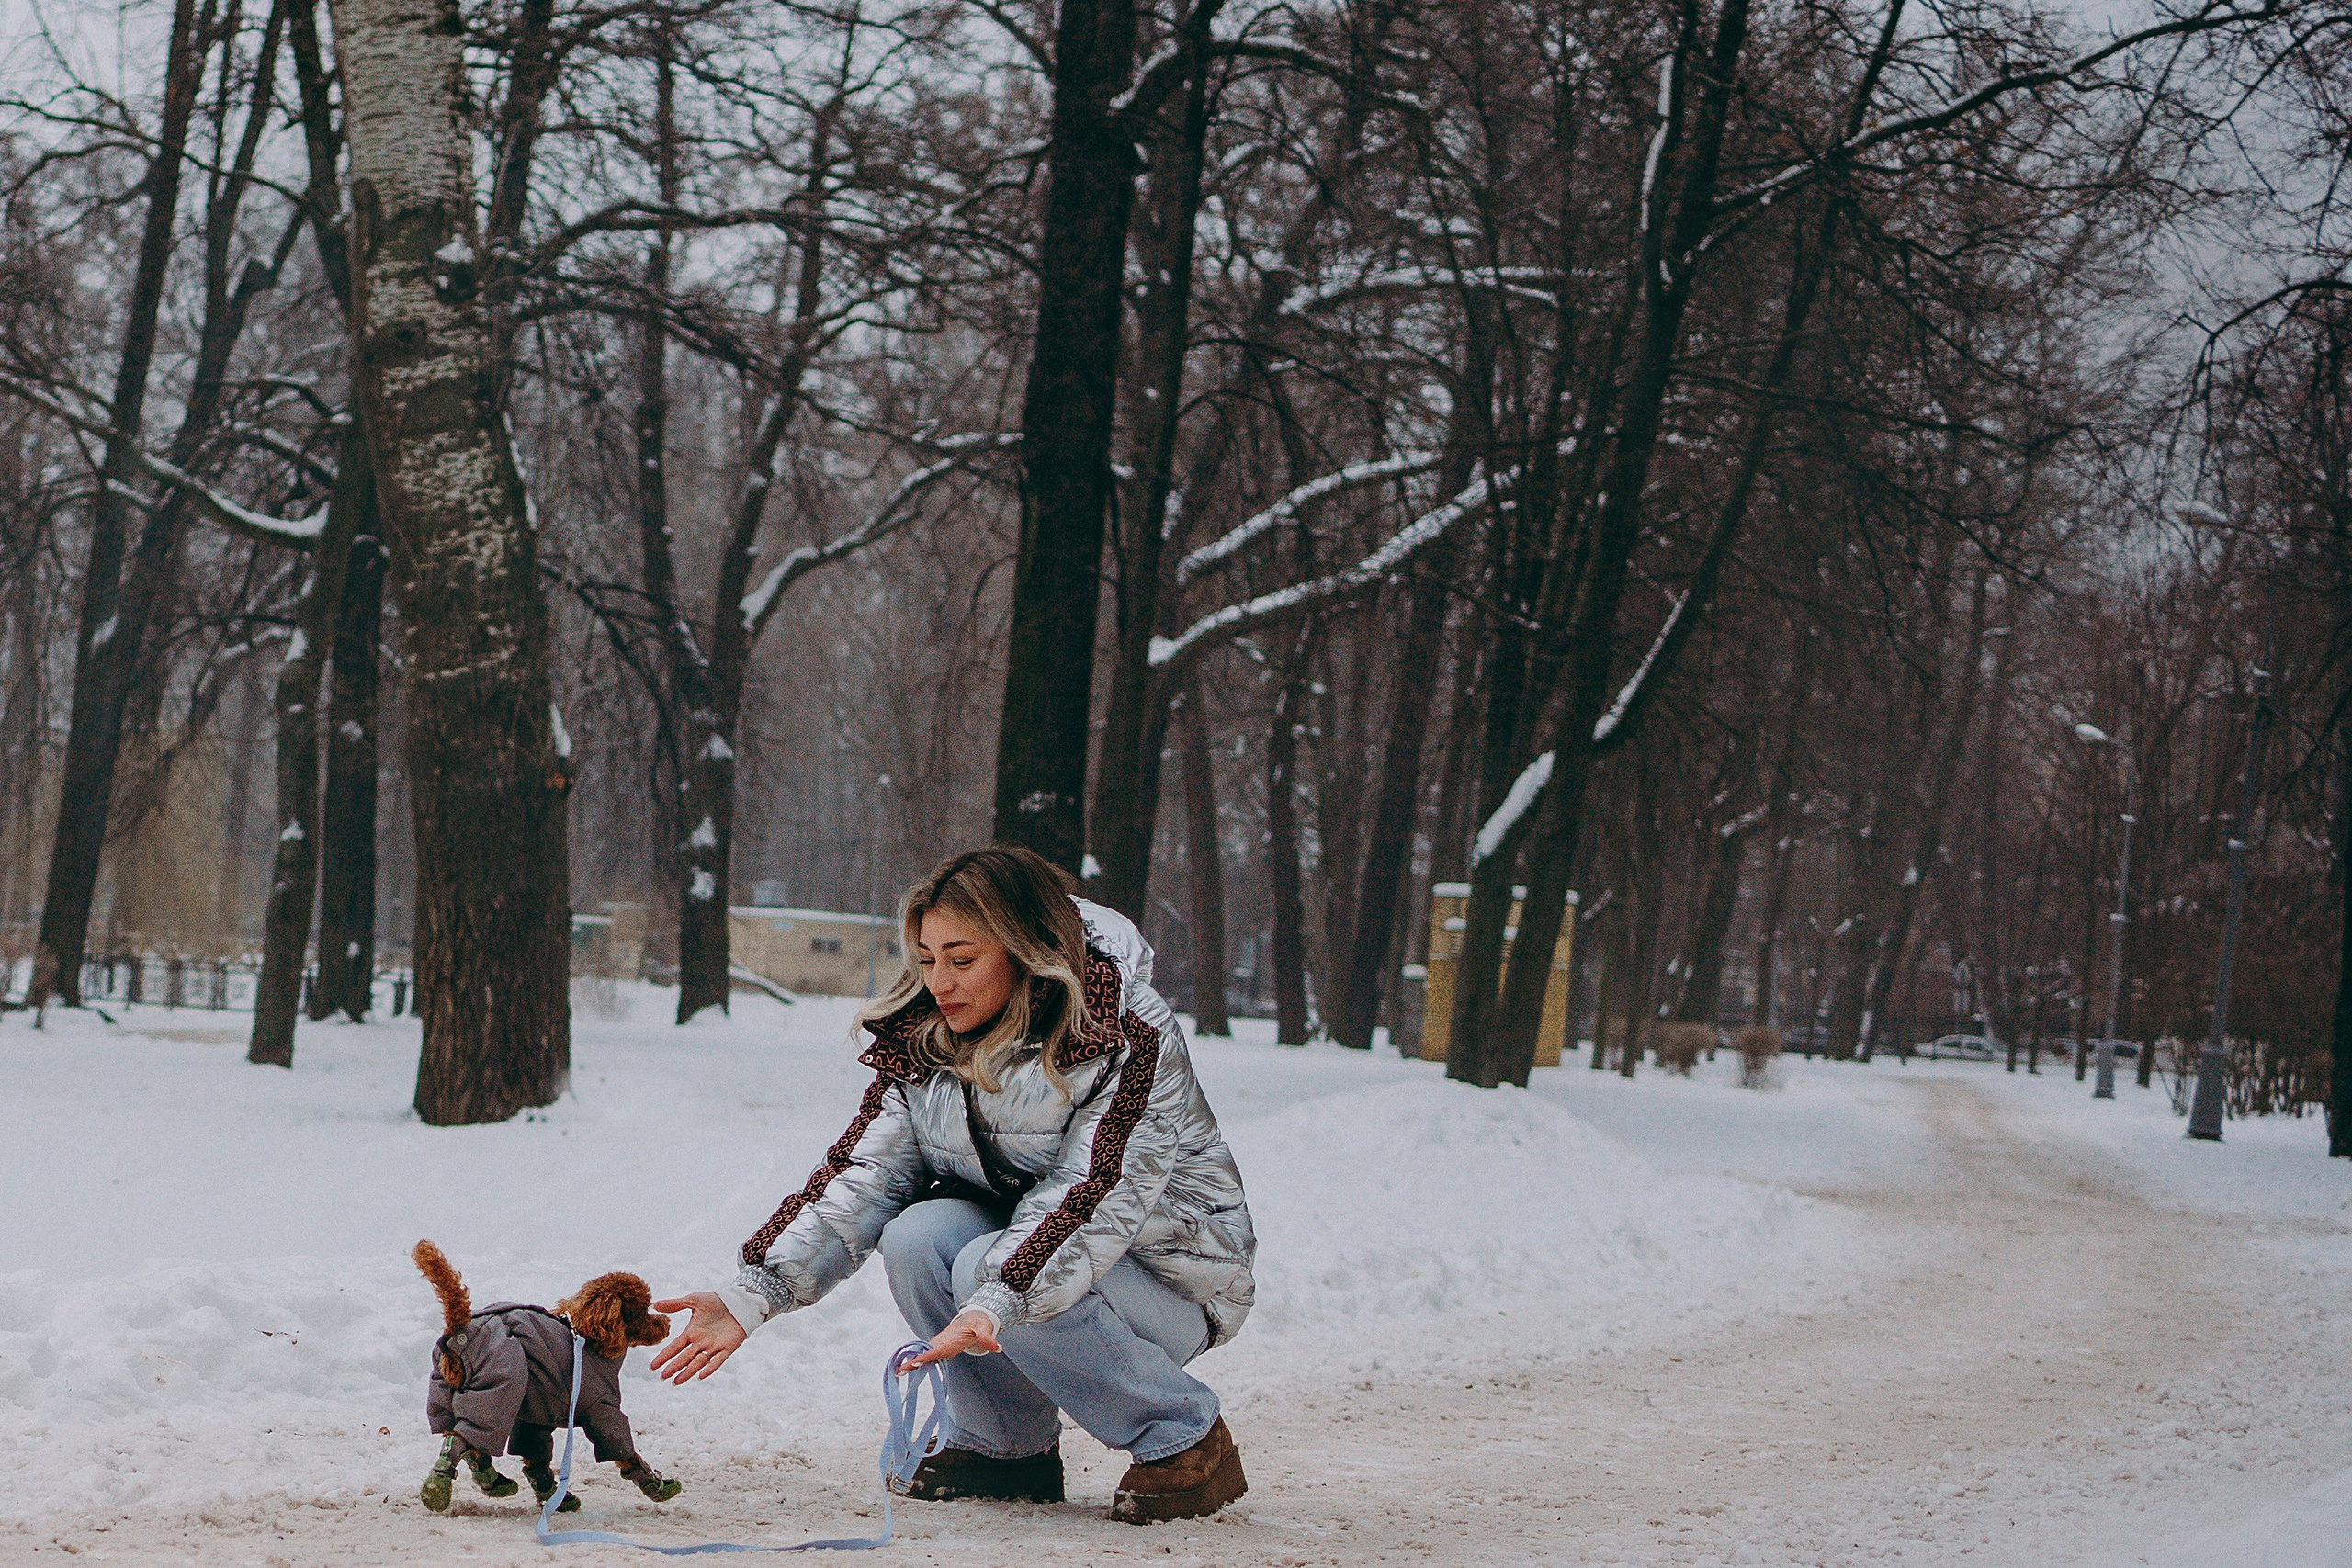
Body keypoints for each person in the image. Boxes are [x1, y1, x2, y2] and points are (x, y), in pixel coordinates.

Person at [652, 844, 1256, 1523]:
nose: (939, 980)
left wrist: (997, 1296)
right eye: (927, 957)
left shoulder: (1123, 1030)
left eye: (962, 959)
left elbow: (1092, 1193)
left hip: (1168, 1276)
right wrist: (752, 1292)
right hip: (1023, 1263)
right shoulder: (925, 1037)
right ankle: (1006, 1448)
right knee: (915, 1236)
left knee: (976, 1265)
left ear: (1026, 948)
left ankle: (1186, 1437)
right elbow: (863, 1175)